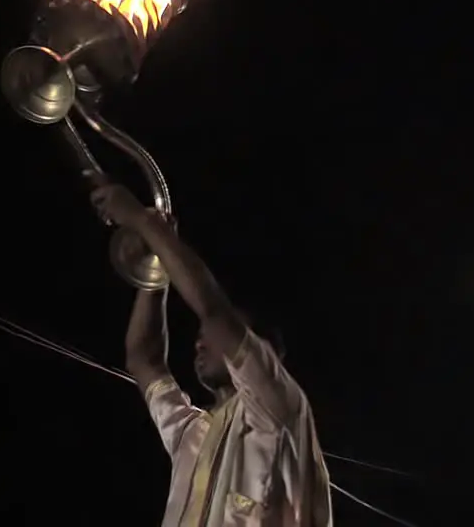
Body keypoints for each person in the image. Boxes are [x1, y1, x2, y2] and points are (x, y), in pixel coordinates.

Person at [91, 183, 333, 527]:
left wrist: (145, 222)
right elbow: (144, 359)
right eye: (200, 337)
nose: (199, 343)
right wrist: (154, 270)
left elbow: (214, 312)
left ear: (266, 353)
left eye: (212, 338)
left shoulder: (282, 411)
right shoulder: (193, 434)